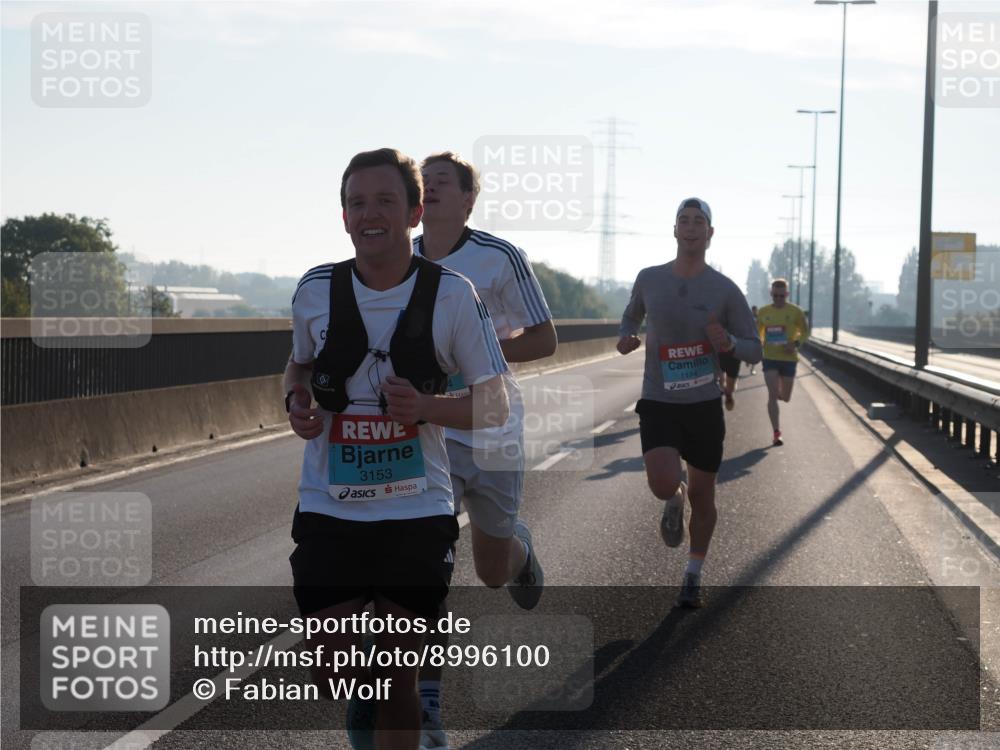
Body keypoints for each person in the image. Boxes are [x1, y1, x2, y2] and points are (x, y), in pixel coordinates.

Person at [283, 148, 509, 750]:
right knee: (333, 675)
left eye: (386, 201)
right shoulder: (314, 290)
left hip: (416, 512)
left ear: (414, 213)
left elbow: (497, 405)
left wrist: (429, 408)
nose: (370, 214)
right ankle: (366, 688)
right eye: (358, 203)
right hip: (330, 507)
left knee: (395, 675)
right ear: (344, 217)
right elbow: (298, 367)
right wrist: (296, 402)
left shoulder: (455, 296)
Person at [413, 151, 556, 750]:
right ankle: (428, 712)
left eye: (444, 183)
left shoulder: (499, 257)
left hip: (493, 428)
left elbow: (545, 338)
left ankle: (519, 551)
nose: (434, 190)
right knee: (426, 577)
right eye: (425, 183)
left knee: (491, 573)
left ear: (471, 198)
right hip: (428, 437)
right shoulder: (398, 258)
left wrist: (481, 354)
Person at [617, 198, 761, 608]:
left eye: (700, 221)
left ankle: (693, 575)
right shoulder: (649, 278)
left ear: (710, 234)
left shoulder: (724, 289)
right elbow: (630, 317)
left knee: (704, 496)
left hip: (703, 405)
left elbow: (755, 349)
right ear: (675, 230)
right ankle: (672, 497)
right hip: (660, 399)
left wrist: (730, 343)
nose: (692, 226)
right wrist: (627, 337)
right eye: (684, 220)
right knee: (663, 483)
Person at [756, 278, 809, 446]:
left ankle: (780, 388)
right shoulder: (763, 312)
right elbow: (757, 334)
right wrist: (759, 343)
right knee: (772, 395)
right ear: (771, 294)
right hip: (770, 358)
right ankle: (776, 432)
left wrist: (795, 344)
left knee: (785, 397)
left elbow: (806, 332)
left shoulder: (796, 312)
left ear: (787, 294)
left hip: (788, 359)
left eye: (781, 296)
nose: (778, 299)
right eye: (775, 296)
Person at [748, 305, 759, 375]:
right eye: (753, 310)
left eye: (755, 310)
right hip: (749, 336)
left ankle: (752, 369)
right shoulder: (748, 316)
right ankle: (747, 360)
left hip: (757, 337)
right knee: (748, 352)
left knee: (755, 353)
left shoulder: (759, 317)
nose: (754, 311)